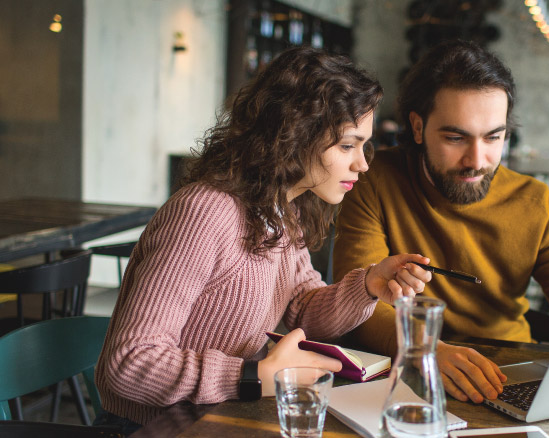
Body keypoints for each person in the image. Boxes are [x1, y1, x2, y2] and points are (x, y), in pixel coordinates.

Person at [94, 47, 433, 433]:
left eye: (363, 145)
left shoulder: (282, 210)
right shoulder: (205, 212)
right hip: (153, 428)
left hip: (225, 418)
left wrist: (370, 284)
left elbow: (304, 311)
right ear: (295, 133)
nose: (363, 163)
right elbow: (130, 363)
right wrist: (253, 375)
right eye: (346, 145)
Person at [332, 40, 549, 405]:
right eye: (455, 138)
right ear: (417, 126)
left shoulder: (540, 204)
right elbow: (356, 306)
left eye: (494, 137)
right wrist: (427, 351)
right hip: (405, 370)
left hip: (505, 371)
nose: (476, 159)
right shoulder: (374, 180)